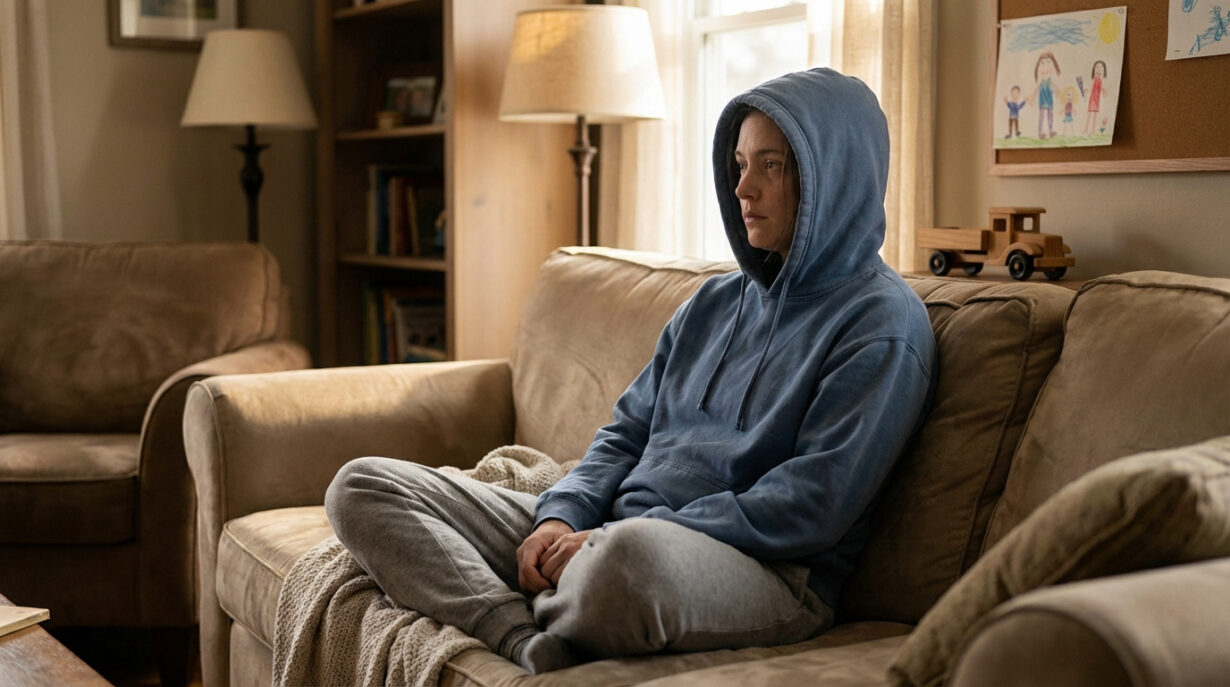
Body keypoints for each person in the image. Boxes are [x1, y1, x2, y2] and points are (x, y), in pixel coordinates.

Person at [325, 68, 936, 675]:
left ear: (833, 176)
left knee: (624, 568)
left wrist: (618, 536)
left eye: (771, 165)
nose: (744, 188)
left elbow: (811, 505)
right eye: (740, 165)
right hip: (610, 529)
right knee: (363, 486)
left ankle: (540, 596)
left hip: (758, 569)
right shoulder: (713, 302)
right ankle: (516, 632)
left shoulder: (882, 325)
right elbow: (625, 433)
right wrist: (564, 514)